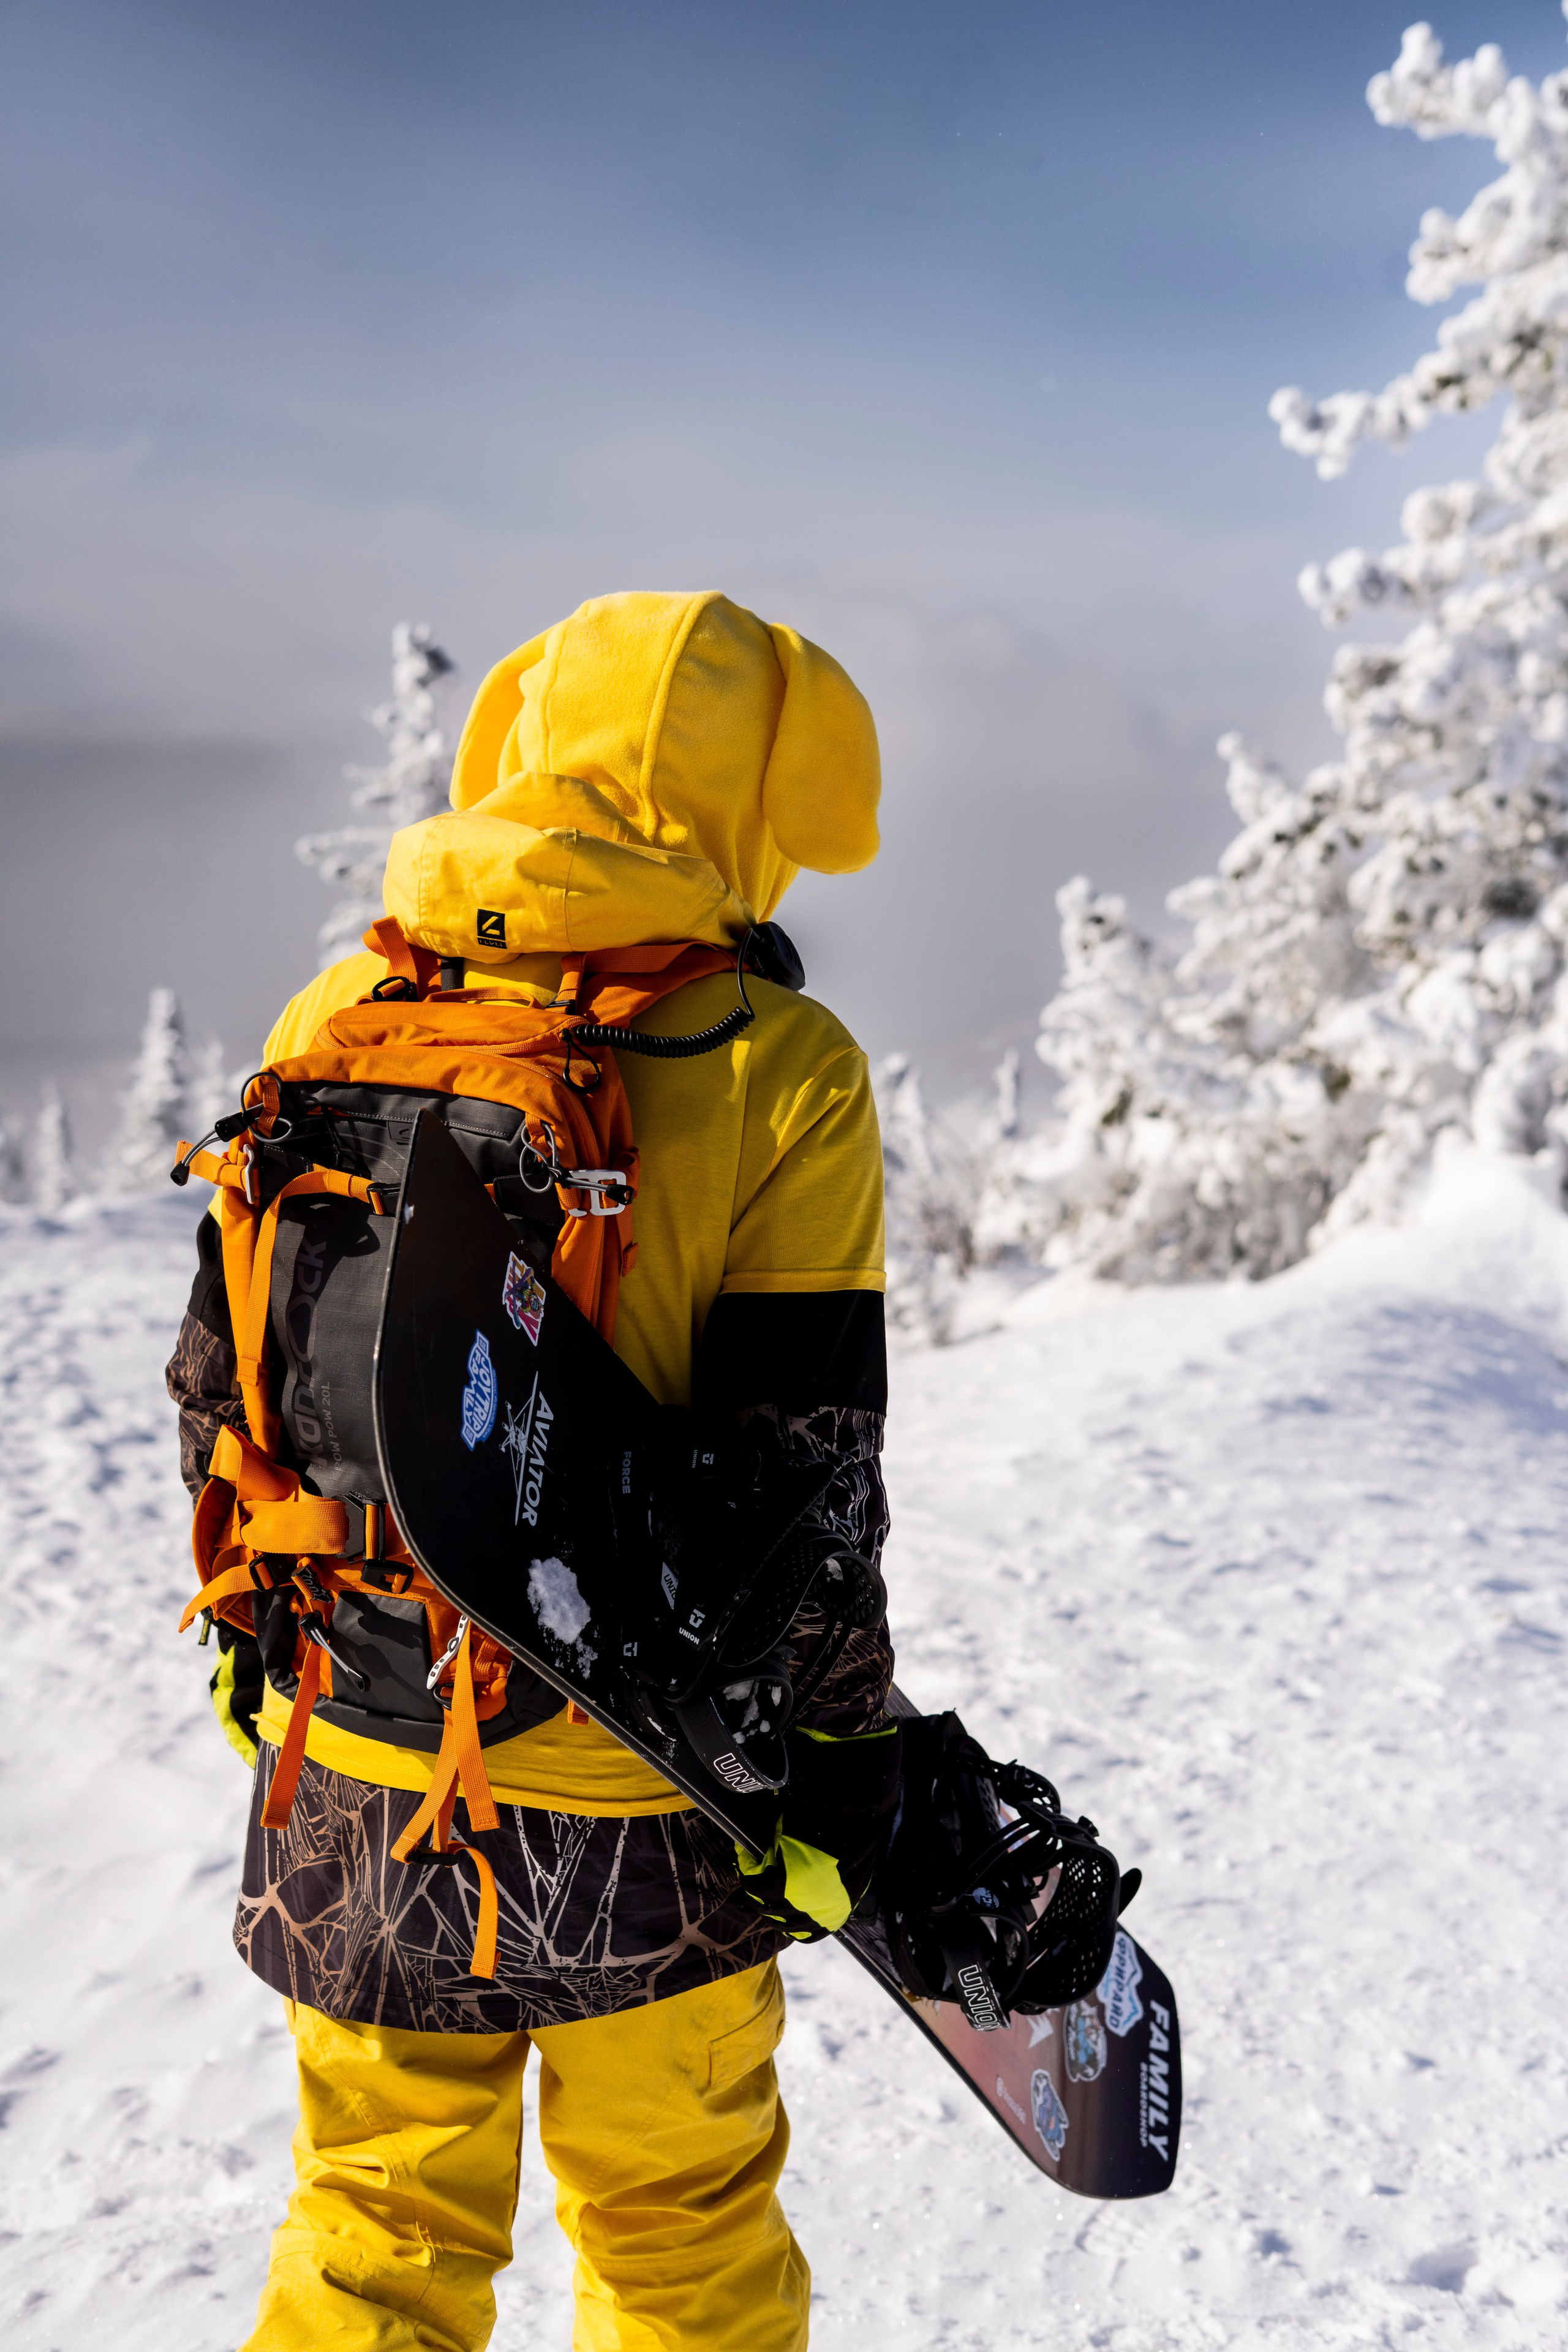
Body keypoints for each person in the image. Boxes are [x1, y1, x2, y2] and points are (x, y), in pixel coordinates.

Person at [165, 590, 898, 2352]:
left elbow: (226, 1363)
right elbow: (804, 1482)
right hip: (646, 1791)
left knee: (371, 2232)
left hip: (352, 1747)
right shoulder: (778, 1063)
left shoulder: (343, 998)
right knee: (681, 2239)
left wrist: (249, 1641)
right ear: (763, 789)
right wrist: (847, 1768)